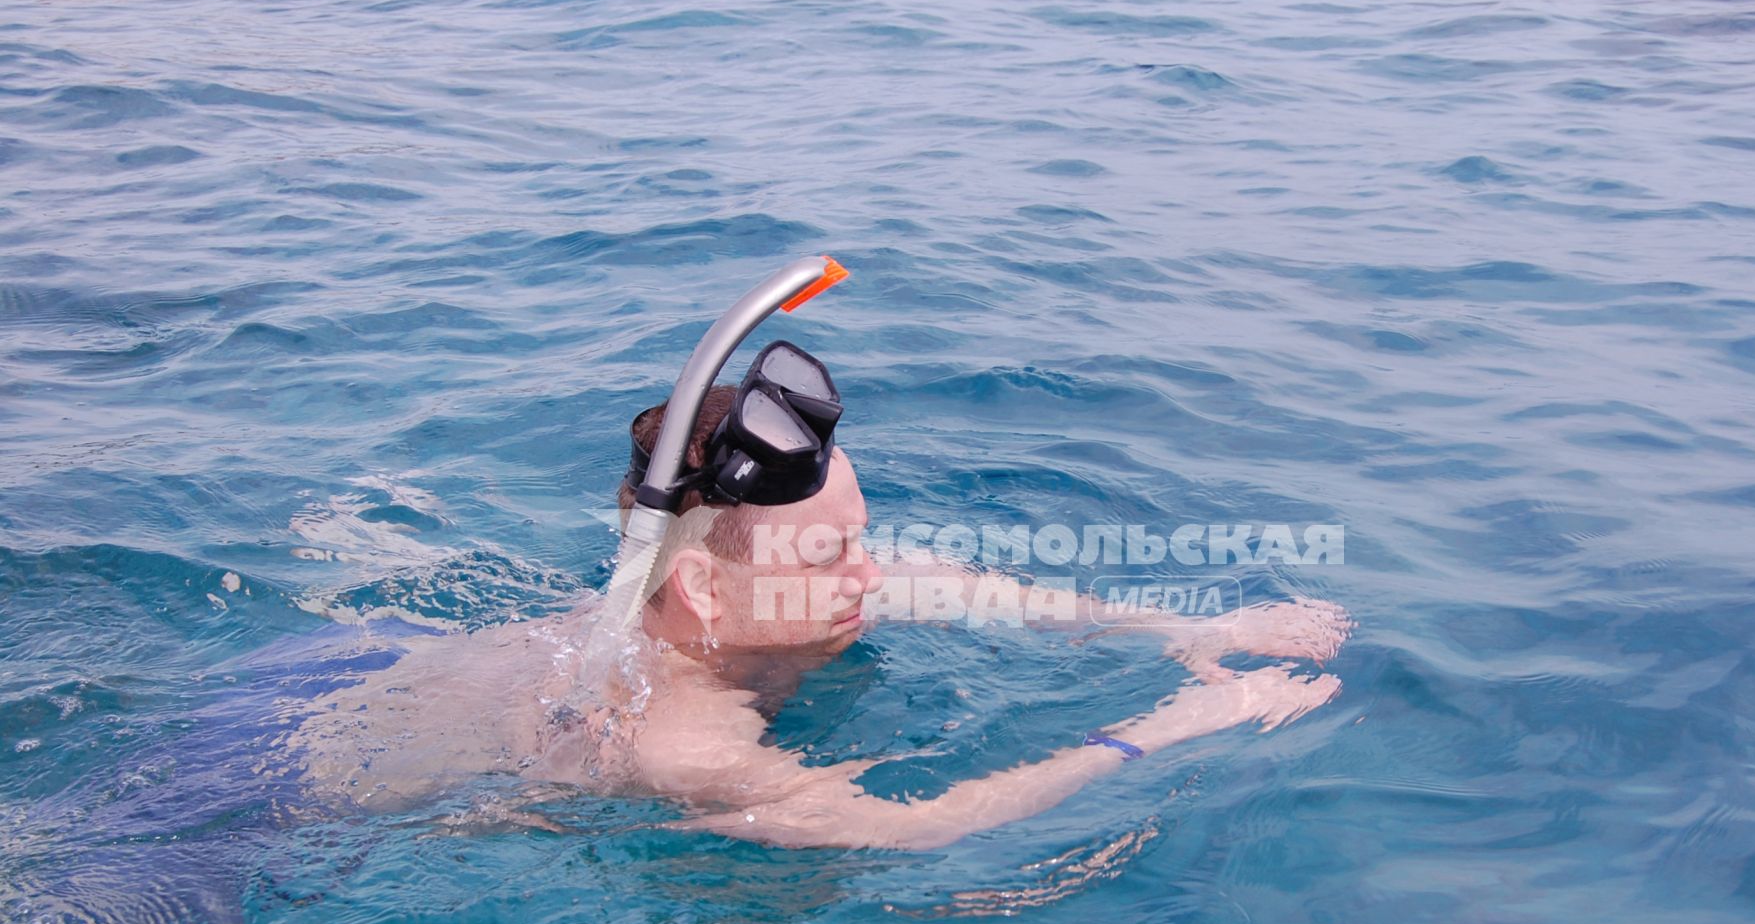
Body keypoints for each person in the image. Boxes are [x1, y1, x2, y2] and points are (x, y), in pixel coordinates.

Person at [295, 349, 1349, 850]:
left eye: (857, 539)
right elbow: (913, 827)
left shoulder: (774, 594)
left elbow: (975, 589)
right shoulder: (682, 742)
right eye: (829, 552)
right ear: (706, 583)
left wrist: (1187, 629)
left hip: (403, 663)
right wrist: (1165, 729)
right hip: (299, 778)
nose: (868, 571)